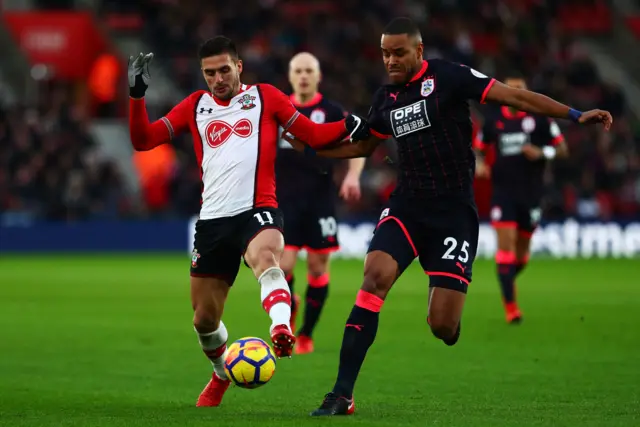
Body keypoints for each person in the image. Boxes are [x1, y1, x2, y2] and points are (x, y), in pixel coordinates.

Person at [284, 17, 612, 416]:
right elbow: (360, 147)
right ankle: (341, 394)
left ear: (418, 51)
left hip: (453, 213)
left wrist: (574, 114)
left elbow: (514, 97)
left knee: (442, 327)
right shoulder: (384, 99)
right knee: (373, 279)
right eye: (385, 53)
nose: (390, 60)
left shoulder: (449, 77)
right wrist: (307, 150)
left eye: (398, 52)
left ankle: (446, 309)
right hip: (407, 205)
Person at [126, 36, 369, 407]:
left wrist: (354, 123)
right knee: (204, 320)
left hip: (259, 208)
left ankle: (281, 325)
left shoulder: (266, 97)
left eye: (225, 69)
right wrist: (136, 95)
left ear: (239, 66)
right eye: (210, 73)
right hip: (212, 221)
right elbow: (143, 140)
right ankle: (223, 372)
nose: (218, 78)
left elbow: (313, 134)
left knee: (266, 259)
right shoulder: (195, 106)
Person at [277, 52, 366, 354]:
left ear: (318, 76)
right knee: (283, 264)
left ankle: (306, 334)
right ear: (290, 76)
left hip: (319, 200)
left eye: (308, 71)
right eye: (298, 71)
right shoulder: (279, 110)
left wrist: (352, 177)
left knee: (317, 267)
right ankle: (288, 311)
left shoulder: (331, 111)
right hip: (283, 201)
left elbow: (359, 146)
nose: (303, 76)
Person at [474, 72, 569, 324]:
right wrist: (480, 163)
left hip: (531, 194)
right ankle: (511, 308)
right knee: (505, 251)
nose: (516, 95)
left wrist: (541, 152)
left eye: (520, 89)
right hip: (503, 193)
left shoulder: (540, 121)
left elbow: (562, 149)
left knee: (521, 256)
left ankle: (506, 280)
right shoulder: (493, 122)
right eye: (511, 89)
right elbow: (478, 150)